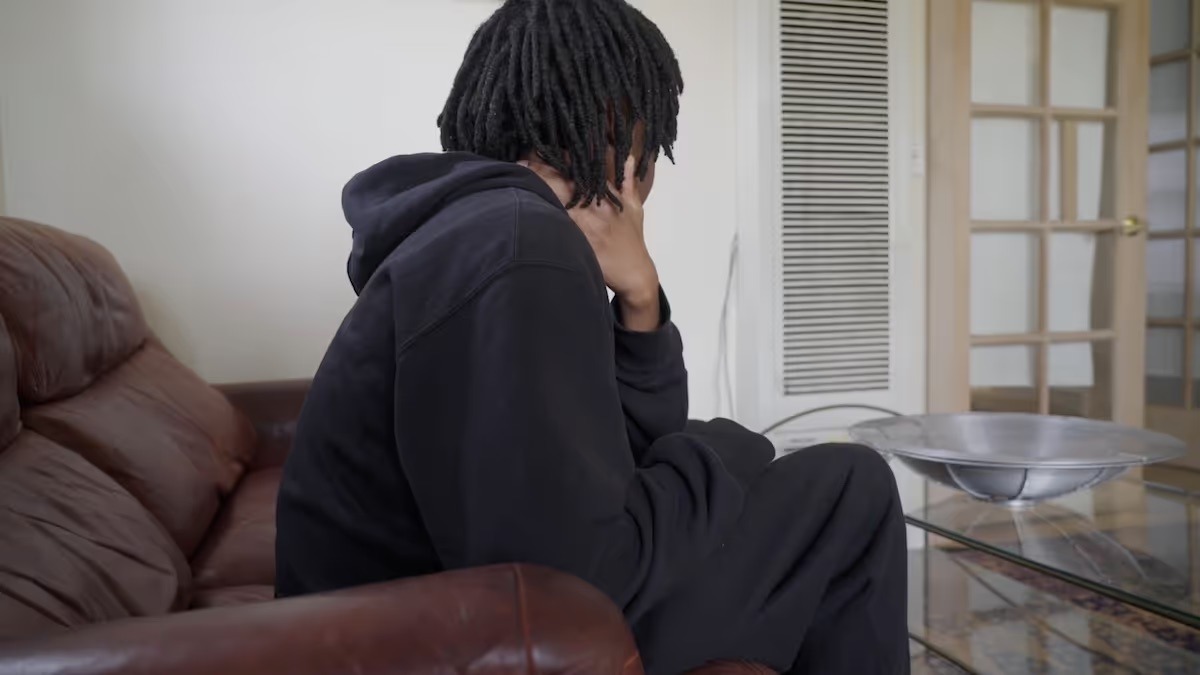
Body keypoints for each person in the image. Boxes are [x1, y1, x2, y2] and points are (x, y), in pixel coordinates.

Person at [274, 0, 909, 672]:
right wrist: (728, 448)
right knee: (852, 487)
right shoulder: (519, 243)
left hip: (432, 614)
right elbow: (581, 581)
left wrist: (640, 298)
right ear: (620, 129)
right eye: (647, 130)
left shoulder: (489, 226)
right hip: (445, 640)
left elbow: (618, 448)